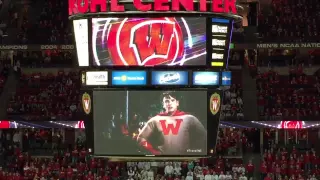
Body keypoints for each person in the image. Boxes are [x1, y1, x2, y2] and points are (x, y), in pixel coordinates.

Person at [137, 91, 207, 155]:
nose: (170, 103)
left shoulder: (189, 118)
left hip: (184, 159)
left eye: (172, 100)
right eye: (167, 101)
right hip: (162, 159)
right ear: (163, 104)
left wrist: (193, 151)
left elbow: (204, 135)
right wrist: (153, 151)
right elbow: (141, 138)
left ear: (177, 103)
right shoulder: (155, 120)